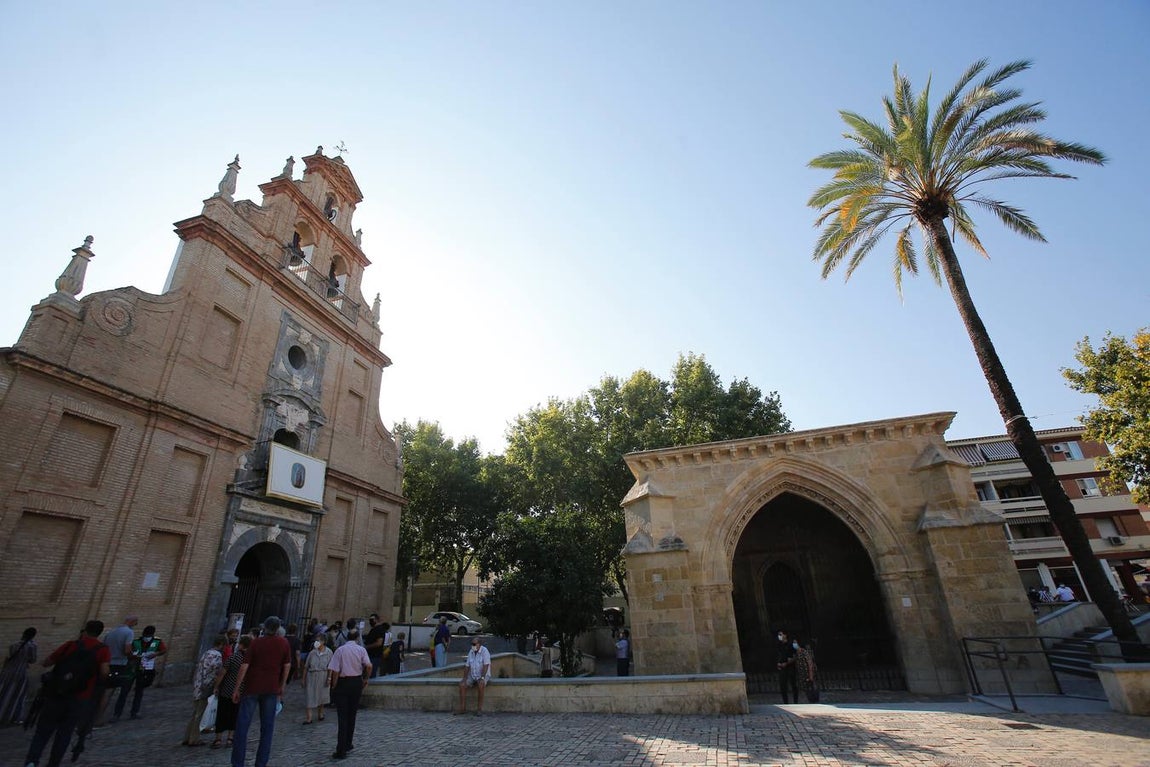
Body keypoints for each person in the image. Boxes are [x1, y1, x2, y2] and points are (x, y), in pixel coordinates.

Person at [23, 620, 110, 767]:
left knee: (43, 731)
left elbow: (47, 662)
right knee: (65, 734)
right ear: (100, 632)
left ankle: (31, 762)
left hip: (56, 694)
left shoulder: (70, 645)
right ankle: (53, 763)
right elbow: (104, 673)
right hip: (80, 698)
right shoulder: (103, 650)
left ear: (85, 630)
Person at [231, 616, 292, 767]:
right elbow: (287, 666)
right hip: (271, 689)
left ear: (264, 628)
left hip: (252, 688)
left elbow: (244, 666)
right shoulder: (284, 643)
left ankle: (237, 763)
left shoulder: (256, 643)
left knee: (242, 727)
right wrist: (282, 686)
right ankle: (261, 763)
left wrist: (236, 688)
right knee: (267, 728)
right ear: (278, 629)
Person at [327, 628, 371, 760]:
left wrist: (334, 685)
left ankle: (341, 750)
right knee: (352, 714)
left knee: (342, 717)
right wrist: (366, 679)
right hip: (356, 682)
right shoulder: (361, 650)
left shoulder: (340, 650)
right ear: (357, 638)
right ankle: (348, 743)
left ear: (346, 637)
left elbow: (334, 670)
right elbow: (369, 666)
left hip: (343, 683)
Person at [183, 634, 224, 746]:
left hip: (197, 684)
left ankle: (187, 737)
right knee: (199, 714)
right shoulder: (217, 656)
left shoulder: (206, 652)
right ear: (221, 645)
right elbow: (218, 671)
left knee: (195, 712)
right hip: (205, 686)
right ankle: (194, 739)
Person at [212, 634, 250, 749]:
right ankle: (230, 738)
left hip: (227, 690)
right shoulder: (249, 660)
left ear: (241, 645)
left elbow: (222, 673)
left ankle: (218, 739)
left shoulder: (233, 658)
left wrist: (216, 686)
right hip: (240, 691)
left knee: (222, 714)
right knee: (234, 714)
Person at [124, 625, 167, 719]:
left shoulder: (157, 641)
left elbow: (163, 650)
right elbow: (128, 652)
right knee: (125, 690)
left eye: (149, 635)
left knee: (139, 691)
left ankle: (134, 712)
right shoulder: (136, 641)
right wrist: (133, 656)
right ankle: (118, 712)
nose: (147, 637)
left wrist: (156, 654)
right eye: (146, 634)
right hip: (134, 668)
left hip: (146, 668)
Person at [101, 615, 137, 723]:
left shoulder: (111, 632)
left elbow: (104, 647)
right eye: (136, 623)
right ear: (132, 622)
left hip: (107, 664)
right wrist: (133, 656)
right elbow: (127, 651)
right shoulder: (129, 632)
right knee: (121, 691)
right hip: (120, 664)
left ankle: (95, 715)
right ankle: (112, 715)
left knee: (104, 690)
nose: (135, 625)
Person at [0, 627, 37, 724]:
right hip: (20, 674)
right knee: (16, 696)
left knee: (3, 693)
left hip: (7, 673)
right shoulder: (32, 646)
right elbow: (33, 660)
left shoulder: (14, 645)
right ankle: (10, 716)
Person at [302, 632, 332, 724]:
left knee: (321, 695)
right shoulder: (312, 653)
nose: (316, 642)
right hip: (312, 676)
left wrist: (329, 678)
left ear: (323, 642)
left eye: (318, 640)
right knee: (309, 695)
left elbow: (330, 667)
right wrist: (303, 679)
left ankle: (320, 713)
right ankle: (309, 718)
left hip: (323, 675)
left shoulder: (329, 652)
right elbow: (306, 667)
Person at [457, 636, 491, 716]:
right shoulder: (471, 652)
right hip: (473, 675)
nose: (473, 646)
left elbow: (486, 665)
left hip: (483, 675)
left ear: (479, 644)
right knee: (462, 685)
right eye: (472, 644)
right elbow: (467, 666)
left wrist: (482, 678)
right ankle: (462, 708)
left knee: (481, 684)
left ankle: (479, 709)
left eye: (474, 644)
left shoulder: (485, 651)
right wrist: (464, 678)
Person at [776, 629, 798, 704]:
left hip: (790, 667)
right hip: (782, 668)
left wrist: (787, 663)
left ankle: (795, 702)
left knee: (793, 685)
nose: (780, 636)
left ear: (785, 635)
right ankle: (785, 702)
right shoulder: (779, 645)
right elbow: (779, 655)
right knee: (783, 686)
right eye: (779, 635)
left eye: (781, 634)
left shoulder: (791, 645)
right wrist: (778, 663)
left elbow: (795, 656)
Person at [794, 636, 819, 703]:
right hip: (802, 675)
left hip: (807, 674)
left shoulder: (804, 652)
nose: (794, 644)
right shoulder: (797, 653)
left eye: (795, 643)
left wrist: (810, 676)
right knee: (806, 690)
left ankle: (814, 701)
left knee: (811, 689)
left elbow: (810, 663)